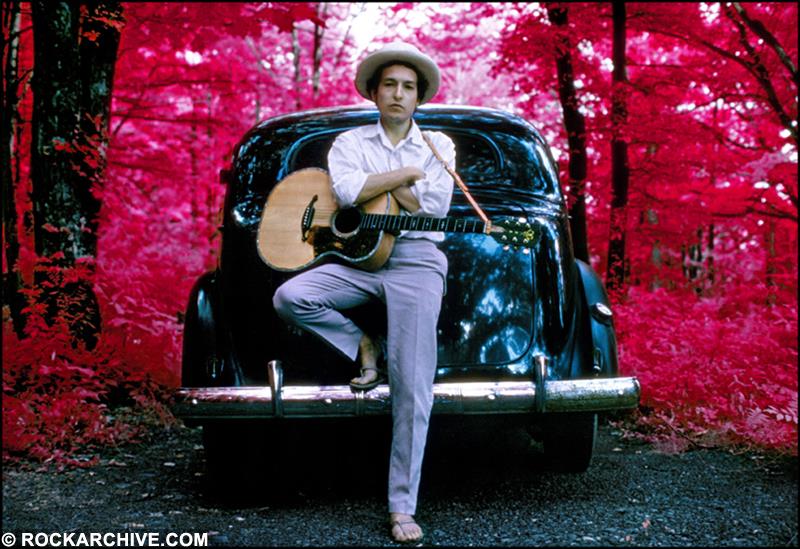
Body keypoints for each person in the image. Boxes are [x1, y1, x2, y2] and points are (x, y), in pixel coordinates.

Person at [272, 41, 455, 543]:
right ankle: (362, 345)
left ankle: (401, 507)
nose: (399, 94)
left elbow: (434, 211)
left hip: (417, 260)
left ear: (418, 98)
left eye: (408, 87)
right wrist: (407, 175)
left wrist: (393, 184)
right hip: (357, 258)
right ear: (374, 93)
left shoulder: (439, 145)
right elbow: (350, 194)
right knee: (290, 297)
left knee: (413, 387)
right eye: (390, 85)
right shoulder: (349, 142)